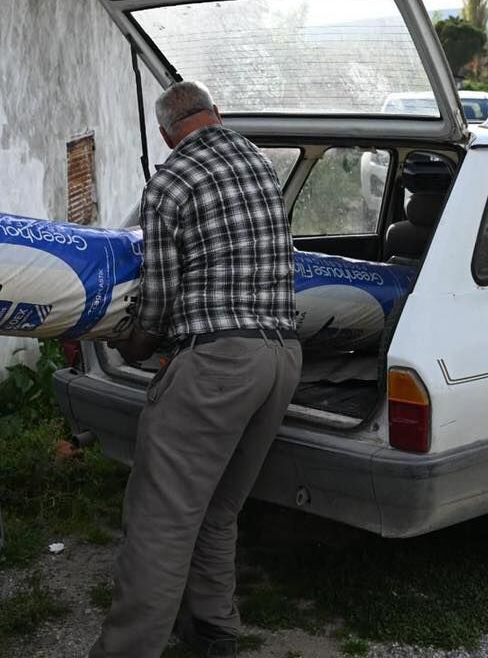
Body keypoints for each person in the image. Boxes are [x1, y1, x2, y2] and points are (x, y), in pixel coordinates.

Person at [91, 81, 301, 658]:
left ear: (166, 135)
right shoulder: (258, 160)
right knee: (218, 507)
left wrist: (132, 346)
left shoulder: (171, 180)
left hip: (220, 364)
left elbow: (157, 296)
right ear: (217, 114)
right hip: (281, 358)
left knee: (161, 519)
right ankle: (214, 631)